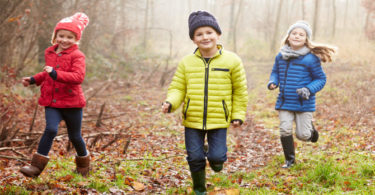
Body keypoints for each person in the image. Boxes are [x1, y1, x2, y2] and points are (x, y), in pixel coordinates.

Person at [161, 11, 248, 194]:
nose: (205, 37)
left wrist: (238, 115)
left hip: (219, 119)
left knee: (217, 157)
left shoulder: (232, 61)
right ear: (193, 39)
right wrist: (171, 103)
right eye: (199, 34)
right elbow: (178, 88)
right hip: (193, 119)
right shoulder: (187, 63)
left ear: (218, 35)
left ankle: (216, 159)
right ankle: (199, 189)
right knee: (194, 157)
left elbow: (240, 91)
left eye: (209, 32)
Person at [20, 12, 90, 177]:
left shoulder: (78, 55)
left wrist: (55, 74)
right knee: (50, 129)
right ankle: (36, 167)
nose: (64, 40)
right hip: (52, 101)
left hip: (72, 102)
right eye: (61, 35)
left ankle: (83, 166)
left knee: (75, 136)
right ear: (55, 36)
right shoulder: (50, 53)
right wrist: (32, 79)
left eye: (70, 37)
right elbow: (46, 73)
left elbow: (78, 77)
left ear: (76, 39)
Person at [268, 21, 336, 168]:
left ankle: (311, 131)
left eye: (301, 34)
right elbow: (275, 72)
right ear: (288, 37)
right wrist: (273, 82)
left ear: (306, 39)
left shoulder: (311, 58)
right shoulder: (281, 56)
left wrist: (308, 89)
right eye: (294, 33)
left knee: (303, 135)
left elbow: (321, 79)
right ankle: (290, 161)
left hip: (303, 102)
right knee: (284, 128)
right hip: (285, 101)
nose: (297, 36)